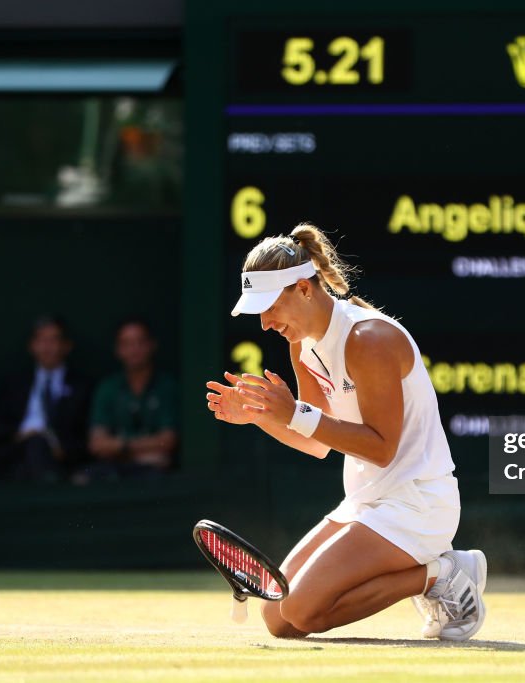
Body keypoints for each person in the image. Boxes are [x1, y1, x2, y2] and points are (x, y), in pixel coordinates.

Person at [205, 223, 487, 640]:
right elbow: (318, 443)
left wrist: (293, 412)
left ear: (303, 289)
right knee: (279, 620)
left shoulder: (368, 338)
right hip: (366, 502)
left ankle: (440, 573)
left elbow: (382, 449)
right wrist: (263, 415)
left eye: (269, 307)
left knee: (302, 608)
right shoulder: (302, 345)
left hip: (418, 503)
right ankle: (433, 572)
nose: (264, 323)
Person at [78, 317, 178, 482]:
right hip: (114, 469)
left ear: (152, 345)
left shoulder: (167, 386)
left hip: (154, 474)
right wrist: (134, 449)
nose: (134, 350)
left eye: (140, 342)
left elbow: (168, 441)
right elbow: (97, 444)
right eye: (127, 344)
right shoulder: (108, 387)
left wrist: (117, 447)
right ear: (118, 349)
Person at [0, 315, 92, 481]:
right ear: (32, 346)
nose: (47, 347)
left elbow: (86, 434)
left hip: (62, 458)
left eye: (54, 340)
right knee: (34, 445)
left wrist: (60, 447)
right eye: (41, 340)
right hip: (18, 452)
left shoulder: (82, 386)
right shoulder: (14, 383)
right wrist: (21, 435)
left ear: (66, 346)